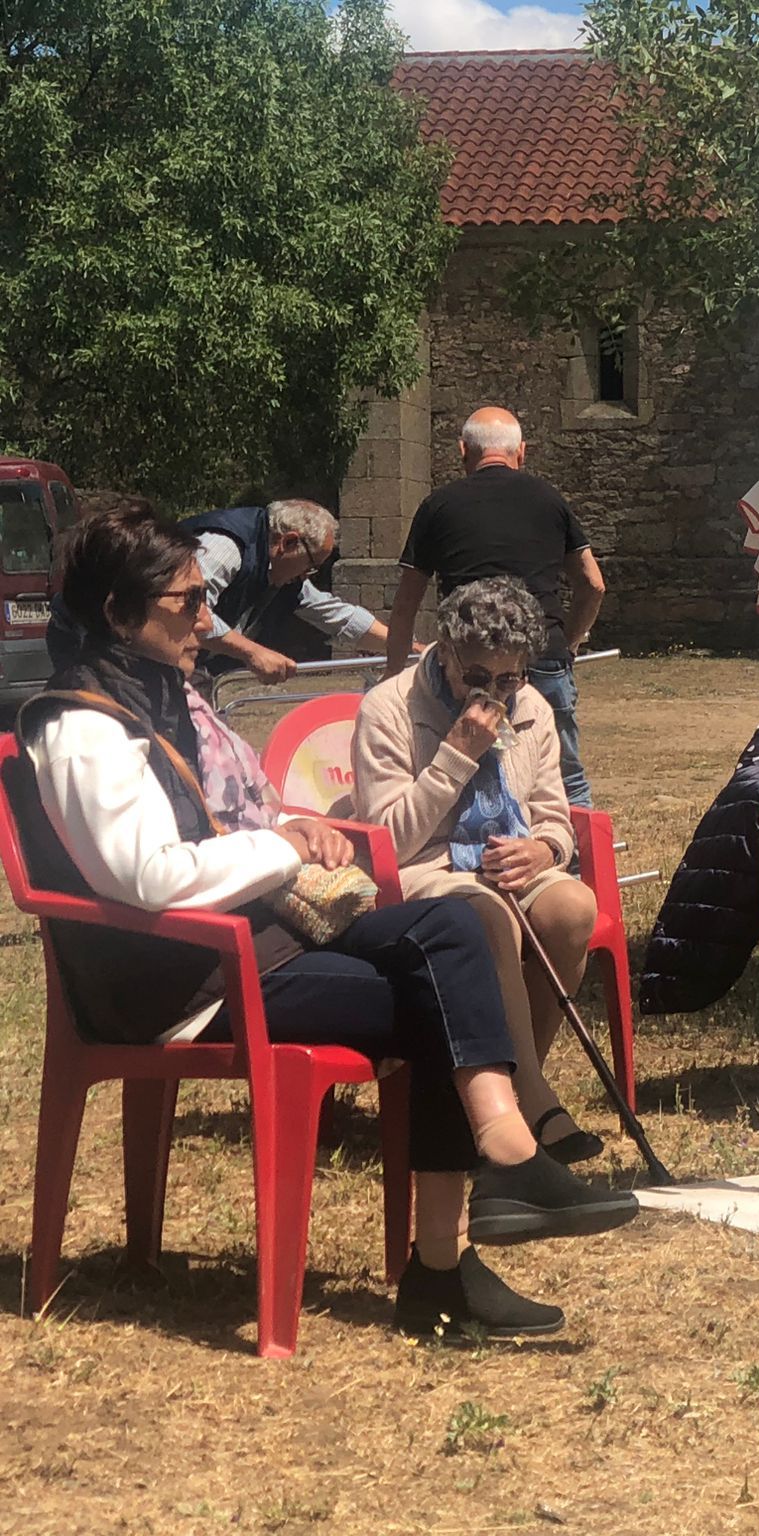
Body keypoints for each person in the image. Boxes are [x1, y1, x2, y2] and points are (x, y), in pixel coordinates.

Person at [16, 508, 637, 1340]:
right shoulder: (85, 729)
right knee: (442, 995)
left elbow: (226, 821)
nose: (209, 619)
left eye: (205, 597)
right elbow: (146, 878)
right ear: (118, 614)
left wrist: (289, 827)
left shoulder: (167, 698)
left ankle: (505, 1153)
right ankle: (456, 1251)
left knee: (449, 935)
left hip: (252, 941)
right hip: (183, 979)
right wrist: (277, 851)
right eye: (187, 602)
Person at [352, 578, 604, 1164]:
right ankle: (535, 1105)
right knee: (489, 915)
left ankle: (515, 1086)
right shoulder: (388, 708)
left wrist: (544, 850)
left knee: (572, 909)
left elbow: (554, 816)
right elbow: (390, 840)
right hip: (425, 867)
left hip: (508, 860)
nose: (494, 693)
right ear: (443, 653)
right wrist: (455, 755)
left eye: (510, 678)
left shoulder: (534, 707)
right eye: (477, 677)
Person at [386, 408, 605, 807]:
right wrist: (566, 644)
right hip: (542, 655)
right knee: (563, 776)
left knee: (463, 763)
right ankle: (575, 863)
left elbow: (405, 605)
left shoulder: (438, 506)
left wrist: (391, 676)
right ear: (521, 452)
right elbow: (593, 584)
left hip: (468, 665)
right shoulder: (550, 500)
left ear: (462, 451)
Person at [185, 499, 399, 682]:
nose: (308, 575)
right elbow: (189, 610)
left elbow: (338, 616)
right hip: (156, 670)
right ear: (288, 542)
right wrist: (252, 652)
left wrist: (409, 647)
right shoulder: (225, 546)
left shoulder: (283, 573)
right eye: (311, 565)